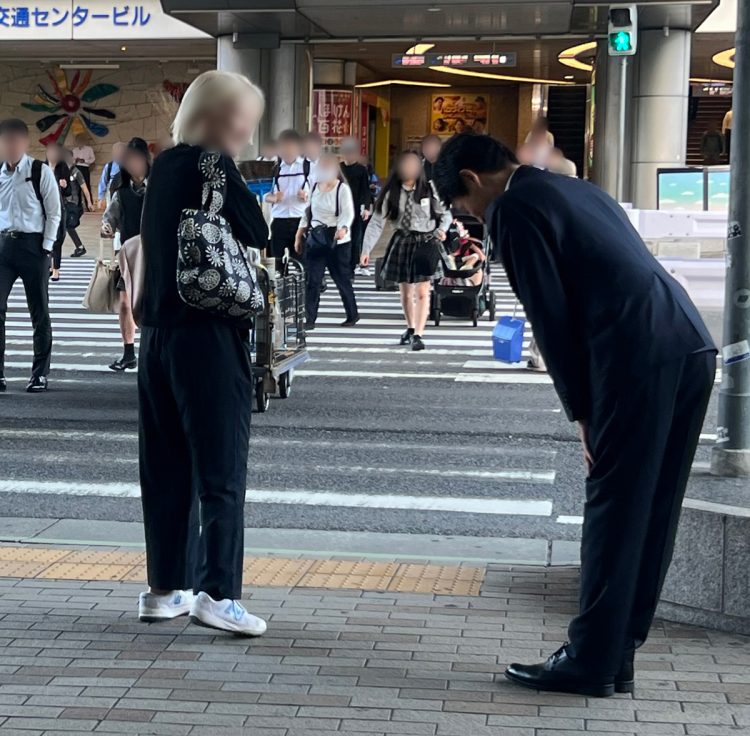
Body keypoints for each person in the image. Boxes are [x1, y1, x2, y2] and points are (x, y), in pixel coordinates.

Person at [433, 133, 716, 698]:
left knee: (614, 506)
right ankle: (617, 654)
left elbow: (551, 319)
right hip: (688, 343)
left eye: (467, 211)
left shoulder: (513, 208)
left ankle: (590, 659)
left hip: (634, 353)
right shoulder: (575, 188)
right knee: (654, 507)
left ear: (471, 179)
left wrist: (582, 411)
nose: (475, 221)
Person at [138, 70, 269, 635]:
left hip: (158, 337)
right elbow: (256, 229)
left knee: (165, 466)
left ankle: (164, 589)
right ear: (219, 119)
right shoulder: (212, 164)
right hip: (209, 335)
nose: (245, 136)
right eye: (243, 125)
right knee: (220, 469)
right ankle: (218, 593)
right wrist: (231, 172)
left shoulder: (164, 166)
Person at [360, 150, 451, 351]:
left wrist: (441, 231)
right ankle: (410, 328)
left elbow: (446, 214)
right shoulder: (391, 192)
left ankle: (418, 334)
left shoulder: (429, 188)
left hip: (426, 242)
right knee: (405, 292)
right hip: (402, 241)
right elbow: (376, 222)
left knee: (422, 291)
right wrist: (366, 250)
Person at [0, 118, 61, 393]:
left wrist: (46, 248)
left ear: (24, 143)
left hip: (33, 247)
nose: (10, 146)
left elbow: (54, 211)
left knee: (39, 311)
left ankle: (39, 373)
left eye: (15, 141)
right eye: (5, 141)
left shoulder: (39, 171)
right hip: (3, 247)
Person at [101, 137, 150, 372]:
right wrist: (107, 227)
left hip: (155, 255)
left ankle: (152, 351)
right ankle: (128, 352)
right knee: (124, 302)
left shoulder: (160, 187)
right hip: (129, 254)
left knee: (152, 303)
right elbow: (110, 218)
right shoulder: (121, 192)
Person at [295, 153, 358, 330]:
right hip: (316, 237)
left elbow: (348, 212)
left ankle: (352, 314)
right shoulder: (314, 187)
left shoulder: (342, 189)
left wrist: (343, 228)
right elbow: (307, 213)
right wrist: (299, 234)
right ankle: (310, 318)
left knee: (341, 279)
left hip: (337, 239)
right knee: (313, 280)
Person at [264, 129, 310, 265]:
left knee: (302, 262)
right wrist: (273, 198)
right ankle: (279, 285)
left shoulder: (308, 166)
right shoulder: (273, 167)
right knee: (277, 262)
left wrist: (306, 195)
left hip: (301, 220)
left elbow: (320, 191)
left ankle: (304, 286)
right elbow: (260, 192)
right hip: (279, 219)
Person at [340, 137, 372, 277]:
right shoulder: (339, 168)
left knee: (355, 239)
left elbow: (366, 190)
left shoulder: (361, 170)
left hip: (356, 208)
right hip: (340, 209)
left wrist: (366, 207)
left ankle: (351, 268)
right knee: (341, 238)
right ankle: (341, 265)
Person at [44, 143, 71, 281]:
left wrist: (65, 186)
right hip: (43, 209)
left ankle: (56, 269)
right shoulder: (41, 168)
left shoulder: (63, 168)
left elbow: (69, 191)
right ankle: (47, 265)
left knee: (58, 239)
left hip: (59, 208)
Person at [63, 148, 93, 260]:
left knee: (68, 226)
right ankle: (80, 247)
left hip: (73, 204)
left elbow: (84, 188)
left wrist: (89, 202)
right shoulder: (62, 172)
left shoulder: (76, 172)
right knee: (67, 226)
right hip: (63, 203)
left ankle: (79, 247)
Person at [97, 142, 126, 209]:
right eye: (116, 152)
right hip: (111, 195)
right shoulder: (109, 166)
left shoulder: (129, 166)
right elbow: (103, 182)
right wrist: (101, 198)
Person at [71, 132, 95, 202]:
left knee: (86, 185)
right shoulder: (74, 150)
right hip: (76, 168)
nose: (80, 141)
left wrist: (84, 160)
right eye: (78, 140)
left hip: (85, 168)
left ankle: (89, 204)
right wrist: (75, 161)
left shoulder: (89, 149)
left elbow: (93, 159)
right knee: (76, 186)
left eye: (81, 140)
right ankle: (77, 205)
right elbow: (71, 160)